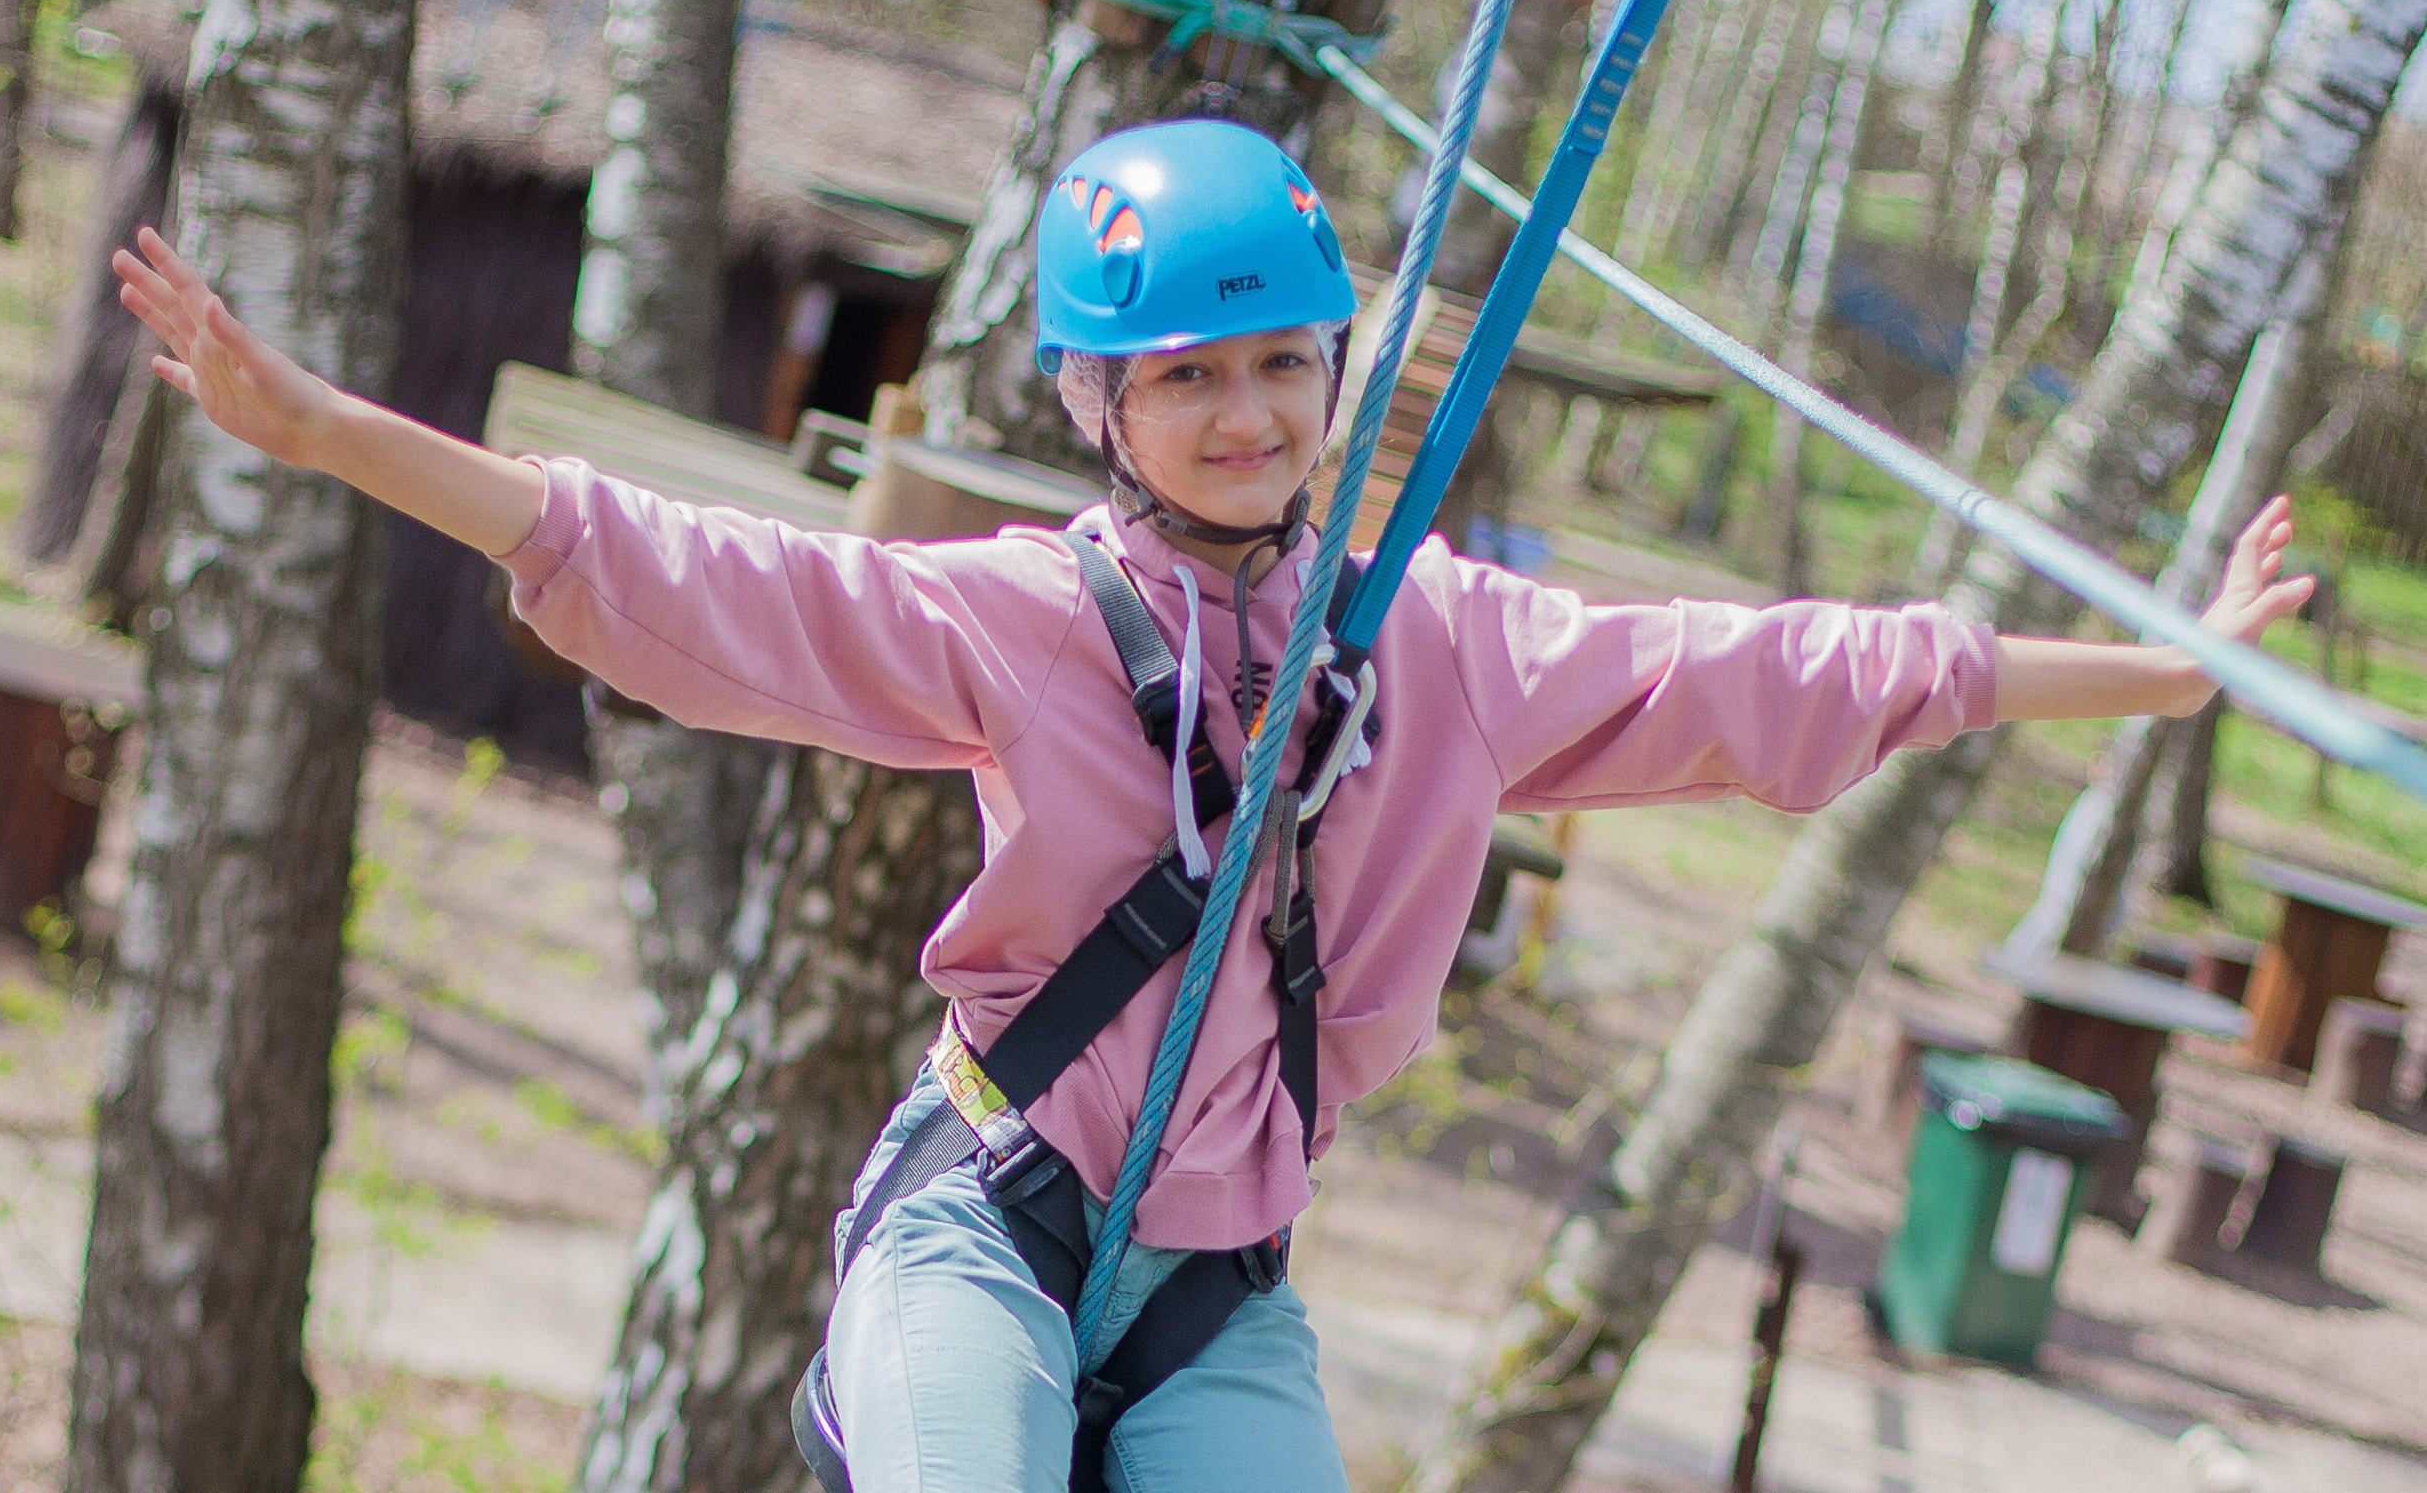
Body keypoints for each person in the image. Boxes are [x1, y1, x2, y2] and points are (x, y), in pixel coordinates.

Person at [111, 119, 2310, 1493]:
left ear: (1337, 374)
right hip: (983, 1226)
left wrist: (2164, 666)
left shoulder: (1450, 647)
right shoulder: (1020, 624)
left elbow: (1807, 675)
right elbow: (706, 583)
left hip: (1215, 1287)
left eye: (1280, 364)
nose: (1246, 413)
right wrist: (323, 433)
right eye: (1188, 373)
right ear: (1103, 399)